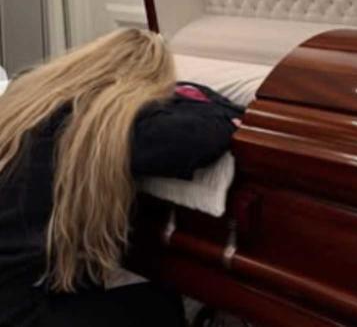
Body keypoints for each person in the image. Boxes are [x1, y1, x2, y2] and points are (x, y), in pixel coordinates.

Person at [0, 28, 243, 326]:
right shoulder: (101, 127)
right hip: (13, 312)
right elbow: (203, 134)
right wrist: (204, 99)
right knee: (159, 306)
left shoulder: (24, 102)